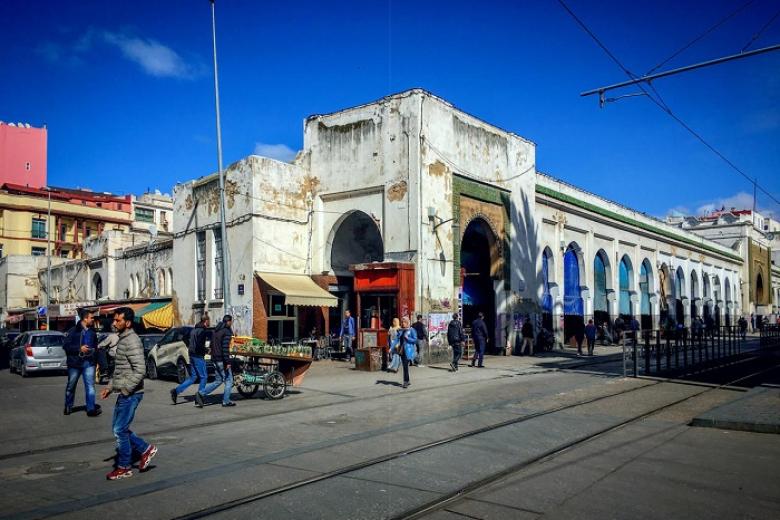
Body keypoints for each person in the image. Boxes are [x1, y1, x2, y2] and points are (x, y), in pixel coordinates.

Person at [101, 306, 156, 481]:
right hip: (126, 392)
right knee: (119, 429)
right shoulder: (123, 339)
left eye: (118, 320)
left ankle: (124, 467)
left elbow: (140, 370)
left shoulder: (131, 341)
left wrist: (125, 390)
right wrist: (110, 387)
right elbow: (120, 370)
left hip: (131, 393)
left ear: (128, 323)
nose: (114, 323)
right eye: (114, 319)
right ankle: (146, 449)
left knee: (120, 430)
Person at [64, 308, 101, 417]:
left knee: (90, 386)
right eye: (91, 318)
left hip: (89, 363)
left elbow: (96, 347)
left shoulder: (92, 332)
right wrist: (79, 349)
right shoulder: (72, 331)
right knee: (71, 386)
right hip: (74, 363)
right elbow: (66, 346)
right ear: (85, 319)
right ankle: (68, 406)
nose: (93, 320)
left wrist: (96, 359)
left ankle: (91, 409)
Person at [196, 315, 235, 408]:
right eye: (231, 321)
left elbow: (211, 345)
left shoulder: (215, 330)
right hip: (221, 360)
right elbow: (225, 348)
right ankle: (226, 401)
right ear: (228, 322)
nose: (231, 323)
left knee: (218, 380)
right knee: (229, 380)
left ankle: (201, 393)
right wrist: (228, 362)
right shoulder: (226, 332)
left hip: (215, 359)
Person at [171, 315, 210, 405]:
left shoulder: (193, 330)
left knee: (193, 377)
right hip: (198, 355)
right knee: (204, 377)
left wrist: (189, 346)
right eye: (209, 321)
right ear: (206, 321)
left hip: (191, 354)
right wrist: (206, 350)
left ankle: (176, 391)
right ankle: (199, 397)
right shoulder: (202, 331)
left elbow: (183, 337)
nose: (209, 323)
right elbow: (199, 344)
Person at [398, 317, 417, 388]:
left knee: (405, 366)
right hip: (402, 350)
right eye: (402, 322)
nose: (403, 324)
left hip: (408, 350)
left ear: (408, 322)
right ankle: (407, 380)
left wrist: (407, 338)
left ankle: (405, 382)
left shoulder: (412, 330)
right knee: (404, 366)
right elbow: (398, 339)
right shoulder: (401, 330)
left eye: (404, 322)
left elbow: (415, 340)